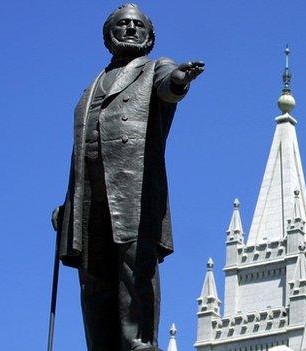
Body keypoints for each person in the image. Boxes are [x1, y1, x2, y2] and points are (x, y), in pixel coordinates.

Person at [51, 4, 204, 350]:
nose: (131, 29)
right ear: (109, 36)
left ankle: (140, 343)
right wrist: (68, 206)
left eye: (138, 25)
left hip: (133, 192)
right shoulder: (89, 89)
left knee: (135, 272)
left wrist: (181, 79)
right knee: (94, 281)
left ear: (149, 37)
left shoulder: (154, 69)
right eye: (122, 24)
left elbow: (169, 85)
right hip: (90, 199)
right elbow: (80, 154)